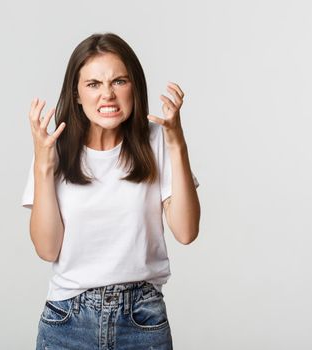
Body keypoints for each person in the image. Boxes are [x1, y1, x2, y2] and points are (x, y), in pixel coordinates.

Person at [21, 32, 200, 349]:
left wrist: (177, 142)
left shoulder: (157, 139)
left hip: (142, 319)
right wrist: (43, 165)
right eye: (93, 84)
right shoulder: (55, 149)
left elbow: (186, 232)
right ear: (76, 94)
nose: (107, 95)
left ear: (134, 86)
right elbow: (47, 249)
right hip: (68, 321)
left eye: (119, 81)